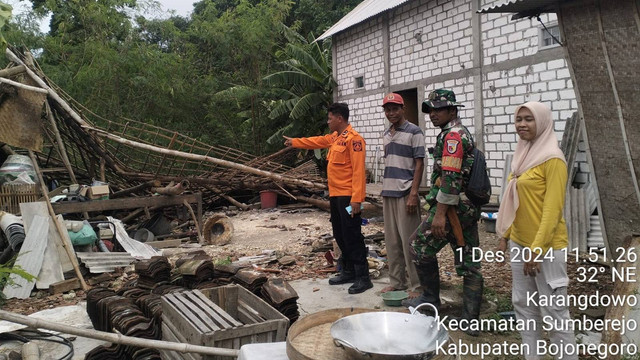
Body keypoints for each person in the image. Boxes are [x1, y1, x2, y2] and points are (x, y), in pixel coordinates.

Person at [496, 102, 577, 359]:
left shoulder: (553, 159)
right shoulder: (522, 155)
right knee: (524, 306)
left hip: (547, 249)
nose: (522, 124)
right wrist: (504, 237)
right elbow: (513, 203)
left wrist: (536, 250)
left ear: (541, 122)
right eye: (518, 119)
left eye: (528, 119)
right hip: (520, 244)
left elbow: (552, 212)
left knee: (554, 311)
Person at [402, 89, 483, 337]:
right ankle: (470, 319)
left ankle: (430, 300)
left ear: (452, 110)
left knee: (418, 246)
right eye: (431, 110)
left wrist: (439, 215)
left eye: (439, 109)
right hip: (466, 207)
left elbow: (450, 178)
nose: (433, 114)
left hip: (453, 209)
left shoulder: (453, 137)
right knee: (470, 261)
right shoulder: (457, 133)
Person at [283, 103, 372, 294]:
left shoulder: (354, 140)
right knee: (339, 233)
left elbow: (358, 172)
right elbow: (317, 141)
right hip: (335, 196)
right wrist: (296, 142)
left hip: (349, 198)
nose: (328, 121)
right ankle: (347, 271)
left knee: (352, 234)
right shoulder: (335, 138)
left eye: (330, 118)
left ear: (339, 118)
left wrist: (357, 200)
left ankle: (363, 277)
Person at [380, 93, 425, 295]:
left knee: (410, 242)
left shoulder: (414, 131)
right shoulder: (386, 134)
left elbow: (419, 163)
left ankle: (417, 285)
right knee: (392, 242)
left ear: (402, 108)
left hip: (405, 193)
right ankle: (397, 281)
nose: (391, 113)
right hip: (388, 192)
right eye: (387, 109)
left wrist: (414, 193)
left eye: (395, 108)